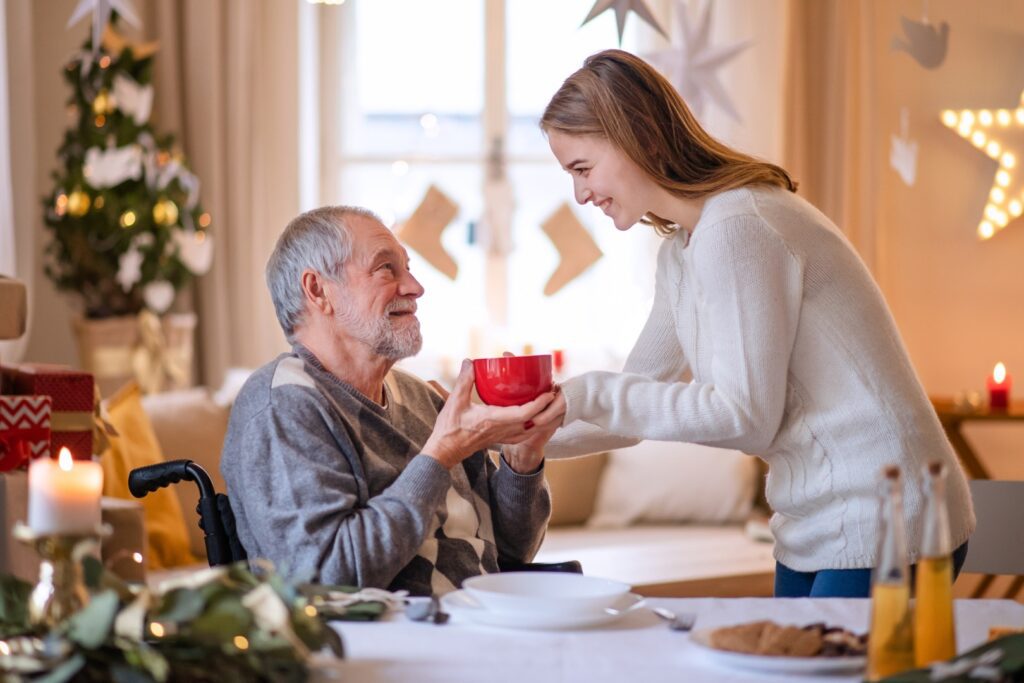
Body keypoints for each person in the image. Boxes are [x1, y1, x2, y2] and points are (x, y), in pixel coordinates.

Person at [524, 49, 974, 598]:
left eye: (582, 168)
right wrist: (512, 436)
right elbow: (628, 412)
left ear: (636, 136)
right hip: (814, 520)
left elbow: (745, 417)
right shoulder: (683, 252)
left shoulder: (740, 226)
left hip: (887, 512)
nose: (581, 193)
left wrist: (586, 393)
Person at [221, 205, 560, 596]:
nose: (416, 287)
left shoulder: (419, 397)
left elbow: (512, 551)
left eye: (409, 268)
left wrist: (523, 458)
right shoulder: (283, 406)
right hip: (385, 643)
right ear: (318, 290)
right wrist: (440, 455)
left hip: (480, 624)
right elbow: (326, 579)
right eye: (386, 269)